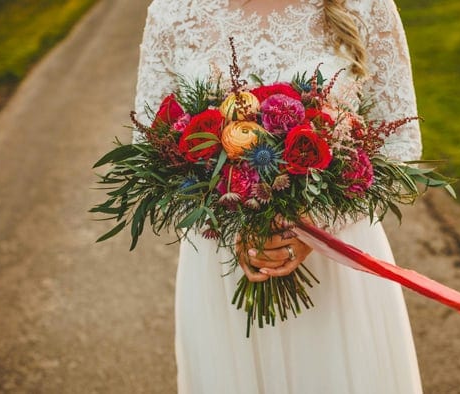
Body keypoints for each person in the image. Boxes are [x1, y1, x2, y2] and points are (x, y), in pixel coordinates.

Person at [134, 0, 424, 392]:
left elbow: (399, 145)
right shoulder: (173, 11)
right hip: (222, 262)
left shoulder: (367, 6)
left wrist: (315, 228)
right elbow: (152, 150)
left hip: (336, 259)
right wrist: (234, 224)